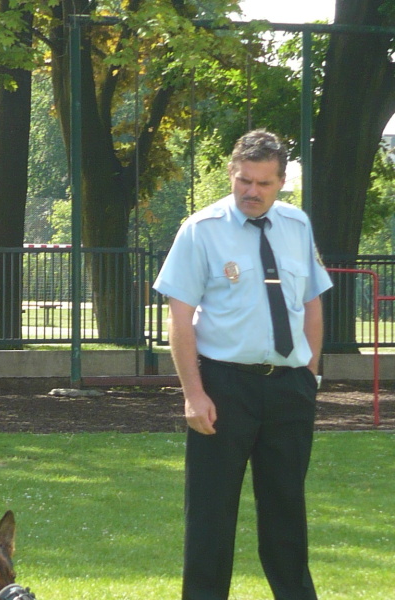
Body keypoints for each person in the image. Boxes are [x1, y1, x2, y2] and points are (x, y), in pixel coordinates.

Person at [153, 129, 333, 600]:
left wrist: (310, 375)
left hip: (289, 389)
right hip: (223, 388)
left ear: (281, 182)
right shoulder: (201, 230)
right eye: (243, 180)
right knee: (210, 516)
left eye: (263, 183)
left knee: (286, 513)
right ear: (232, 174)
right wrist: (194, 394)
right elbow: (180, 317)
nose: (252, 191)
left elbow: (312, 302)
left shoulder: (297, 225)